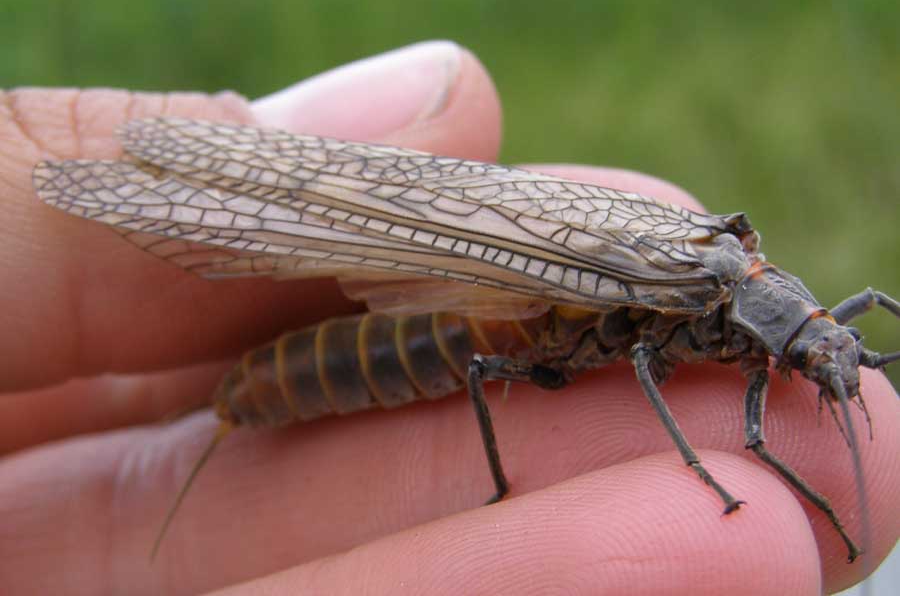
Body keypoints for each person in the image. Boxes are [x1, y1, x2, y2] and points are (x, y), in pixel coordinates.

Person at [0, 41, 896, 595]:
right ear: (771, 325)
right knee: (482, 363)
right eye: (823, 353)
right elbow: (672, 387)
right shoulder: (705, 291)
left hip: (522, 300)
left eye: (825, 350)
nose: (827, 361)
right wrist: (704, 469)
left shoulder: (744, 290)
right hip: (449, 336)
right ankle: (503, 491)